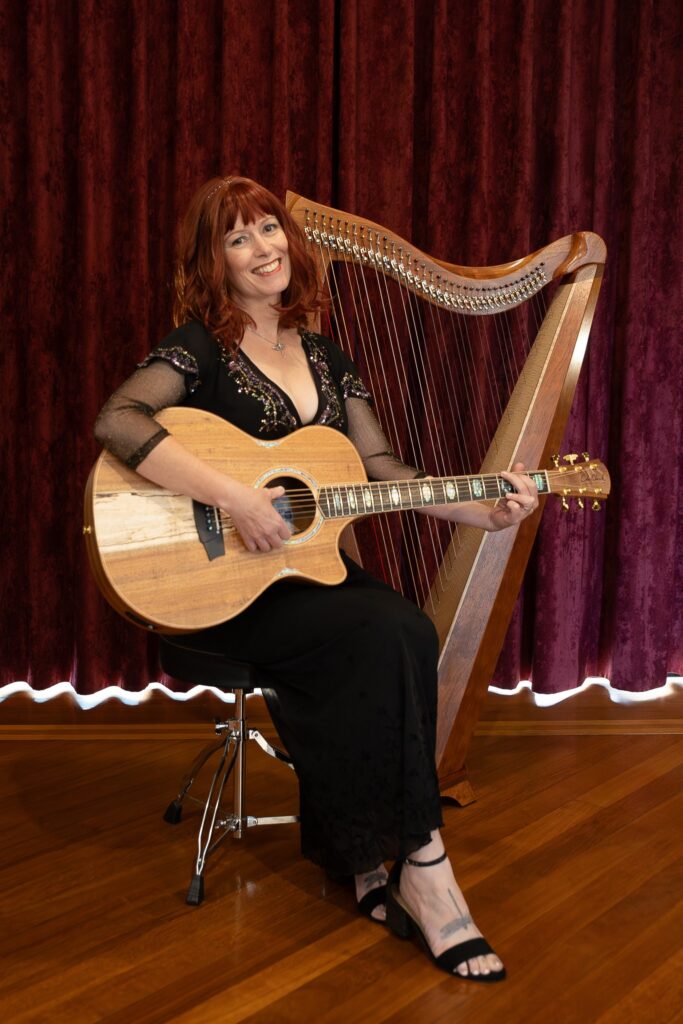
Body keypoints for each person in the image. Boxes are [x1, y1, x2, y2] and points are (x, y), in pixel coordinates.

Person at [94, 175, 539, 982]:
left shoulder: (329, 358)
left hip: (303, 573)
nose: (262, 247)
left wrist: (480, 510)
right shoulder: (199, 347)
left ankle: (361, 856)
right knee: (380, 632)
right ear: (214, 262)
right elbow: (117, 420)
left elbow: (378, 470)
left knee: (406, 629)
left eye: (268, 228)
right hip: (225, 585)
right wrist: (235, 497)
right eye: (237, 238)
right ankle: (424, 869)